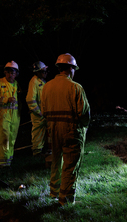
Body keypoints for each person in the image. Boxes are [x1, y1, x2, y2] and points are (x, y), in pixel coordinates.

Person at [41, 53, 90, 206]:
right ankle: (66, 199)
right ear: (70, 69)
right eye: (74, 69)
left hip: (53, 130)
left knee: (56, 159)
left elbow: (43, 111)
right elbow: (84, 113)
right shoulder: (75, 87)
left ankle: (54, 191)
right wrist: (83, 127)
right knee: (70, 164)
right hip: (71, 130)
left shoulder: (46, 87)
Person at [0, 61, 20, 168]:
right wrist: (6, 100)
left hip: (14, 117)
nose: (10, 75)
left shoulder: (16, 84)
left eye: (12, 72)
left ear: (16, 74)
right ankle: (1, 163)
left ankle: (8, 161)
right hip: (1, 117)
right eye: (8, 72)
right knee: (2, 139)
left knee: (11, 139)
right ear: (5, 72)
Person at [26, 61, 48, 156]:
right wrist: (39, 113)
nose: (45, 73)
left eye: (45, 71)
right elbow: (30, 99)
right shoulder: (34, 81)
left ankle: (41, 149)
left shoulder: (41, 81)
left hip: (42, 113)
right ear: (37, 72)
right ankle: (37, 151)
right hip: (38, 114)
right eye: (43, 71)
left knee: (42, 132)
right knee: (37, 132)